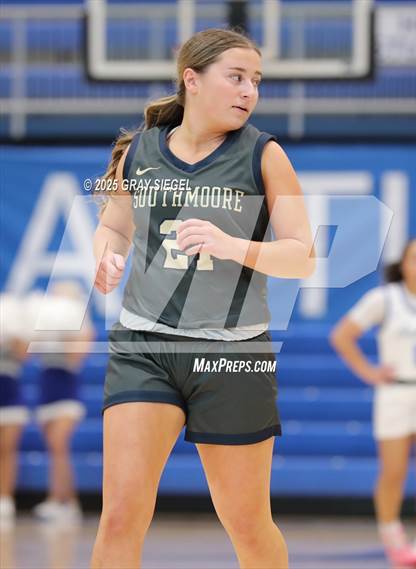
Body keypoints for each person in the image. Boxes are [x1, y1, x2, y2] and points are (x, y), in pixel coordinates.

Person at [90, 28, 315, 569]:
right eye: (236, 77)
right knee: (119, 516)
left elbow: (302, 256)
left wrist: (232, 245)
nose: (249, 91)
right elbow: (114, 225)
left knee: (247, 523)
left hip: (232, 353)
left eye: (255, 80)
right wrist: (106, 256)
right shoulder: (140, 150)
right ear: (191, 80)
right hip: (145, 345)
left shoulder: (265, 154)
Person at [330, 238, 416, 567]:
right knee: (393, 472)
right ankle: (392, 535)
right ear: (403, 263)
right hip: (395, 392)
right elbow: (342, 335)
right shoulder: (385, 298)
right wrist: (368, 371)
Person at [28, 282, 94, 525]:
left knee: (59, 445)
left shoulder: (82, 327)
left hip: (67, 391)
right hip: (46, 389)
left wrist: (65, 331)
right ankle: (65, 501)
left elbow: (77, 357)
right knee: (54, 448)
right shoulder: (44, 323)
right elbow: (28, 353)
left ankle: (61, 500)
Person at [0, 293, 30, 530]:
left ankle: (5, 500)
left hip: (9, 390)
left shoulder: (11, 310)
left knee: (7, 448)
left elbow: (25, 353)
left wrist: (11, 336)